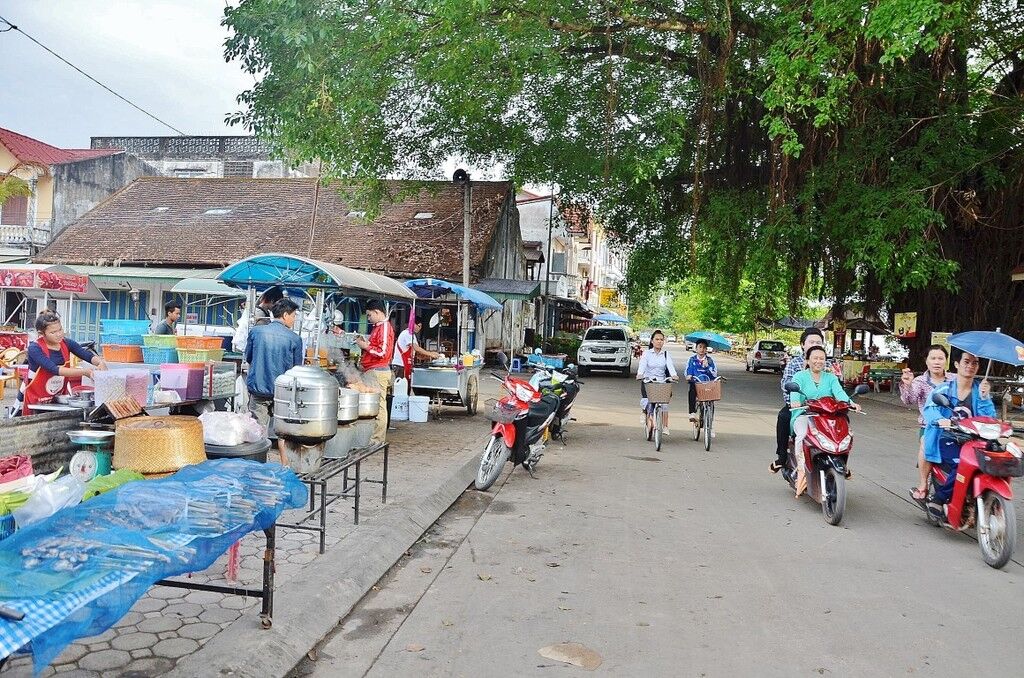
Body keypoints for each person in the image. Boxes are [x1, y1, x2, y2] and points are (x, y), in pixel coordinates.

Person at [922, 350, 993, 516]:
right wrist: (940, 420)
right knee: (961, 464)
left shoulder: (979, 391)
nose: (970, 366)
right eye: (966, 362)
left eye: (974, 363)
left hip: (975, 440)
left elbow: (989, 418)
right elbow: (930, 409)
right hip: (948, 437)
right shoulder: (944, 388)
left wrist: (984, 397)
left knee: (991, 464)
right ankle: (939, 498)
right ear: (956, 365)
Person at [789, 345, 862, 496]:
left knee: (844, 435)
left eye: (821, 358)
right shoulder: (799, 377)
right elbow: (794, 394)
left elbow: (840, 394)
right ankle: (801, 470)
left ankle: (841, 463)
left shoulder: (831, 378)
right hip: (805, 415)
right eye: (815, 358)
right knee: (802, 436)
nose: (818, 361)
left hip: (828, 417)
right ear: (808, 360)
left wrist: (851, 403)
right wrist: (795, 401)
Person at [245, 298, 304, 460]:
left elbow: (249, 358)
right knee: (283, 431)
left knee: (257, 428)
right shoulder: (294, 339)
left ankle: (257, 462)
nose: (294, 319)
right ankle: (285, 464)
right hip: (282, 392)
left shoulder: (256, 332)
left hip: (259, 388)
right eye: (293, 316)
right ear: (285, 315)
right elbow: (296, 370)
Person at [19, 312, 108, 415]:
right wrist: (85, 372)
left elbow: (86, 355)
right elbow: (54, 369)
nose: (59, 334)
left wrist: (100, 362)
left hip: (59, 397)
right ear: (41, 333)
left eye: (60, 329)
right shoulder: (35, 348)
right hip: (36, 398)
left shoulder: (66, 343)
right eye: (53, 332)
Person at [899, 345, 954, 501]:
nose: (937, 362)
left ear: (946, 361)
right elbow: (909, 400)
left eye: (940, 358)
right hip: (929, 426)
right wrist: (908, 385)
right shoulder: (920, 381)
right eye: (933, 358)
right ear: (927, 361)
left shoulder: (954, 380)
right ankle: (923, 484)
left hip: (954, 427)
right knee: (925, 444)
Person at [771, 327, 826, 473]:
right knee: (783, 417)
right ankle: (782, 457)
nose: (815, 344)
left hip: (824, 408)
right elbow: (786, 385)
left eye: (819, 342)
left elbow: (837, 384)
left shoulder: (828, 363)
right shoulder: (795, 363)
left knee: (843, 420)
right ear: (803, 344)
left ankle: (841, 459)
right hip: (799, 407)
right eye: (811, 341)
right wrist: (795, 401)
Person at [356, 299, 396, 444]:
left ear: (377, 312)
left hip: (378, 371)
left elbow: (383, 353)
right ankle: (370, 438)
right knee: (373, 406)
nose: (368, 318)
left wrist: (365, 346)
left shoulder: (384, 327)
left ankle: (377, 440)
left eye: (369, 315)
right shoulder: (378, 327)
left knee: (378, 407)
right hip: (372, 370)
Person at [636, 329, 678, 434]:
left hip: (662, 381)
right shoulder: (647, 354)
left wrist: (674, 375)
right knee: (647, 400)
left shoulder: (666, 354)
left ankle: (665, 426)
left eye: (661, 339)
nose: (659, 341)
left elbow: (670, 366)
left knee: (664, 405)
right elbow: (642, 365)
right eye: (657, 339)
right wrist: (640, 374)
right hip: (648, 381)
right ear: (652, 341)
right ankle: (644, 412)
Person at [392, 315, 440, 382]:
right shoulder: (407, 334)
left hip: (406, 365)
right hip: (400, 365)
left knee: (407, 387)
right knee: (401, 387)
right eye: (419, 326)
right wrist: (430, 354)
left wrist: (428, 357)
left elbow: (416, 353)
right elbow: (416, 348)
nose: (420, 328)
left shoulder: (412, 335)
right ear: (413, 324)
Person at [685, 340, 718, 427]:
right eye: (700, 347)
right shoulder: (692, 360)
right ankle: (692, 412)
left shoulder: (710, 360)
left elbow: (714, 374)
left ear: (706, 349)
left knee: (711, 401)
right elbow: (688, 370)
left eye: (704, 347)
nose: (702, 349)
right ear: (696, 349)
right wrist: (689, 376)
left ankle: (710, 424)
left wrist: (707, 367)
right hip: (696, 382)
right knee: (692, 391)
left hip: (707, 384)